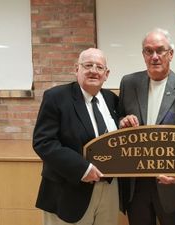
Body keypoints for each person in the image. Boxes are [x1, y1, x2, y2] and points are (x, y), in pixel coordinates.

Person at [117, 28, 175, 225]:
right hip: (135, 183)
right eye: (148, 51)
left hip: (171, 185)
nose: (154, 56)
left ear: (170, 54)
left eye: (160, 50)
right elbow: (119, 119)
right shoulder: (129, 83)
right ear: (143, 55)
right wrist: (122, 122)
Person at [33, 48, 120, 225]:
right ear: (76, 69)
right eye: (88, 65)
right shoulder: (56, 97)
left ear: (106, 74)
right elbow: (44, 142)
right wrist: (83, 169)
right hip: (69, 191)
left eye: (99, 67)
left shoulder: (111, 99)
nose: (93, 71)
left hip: (109, 189)